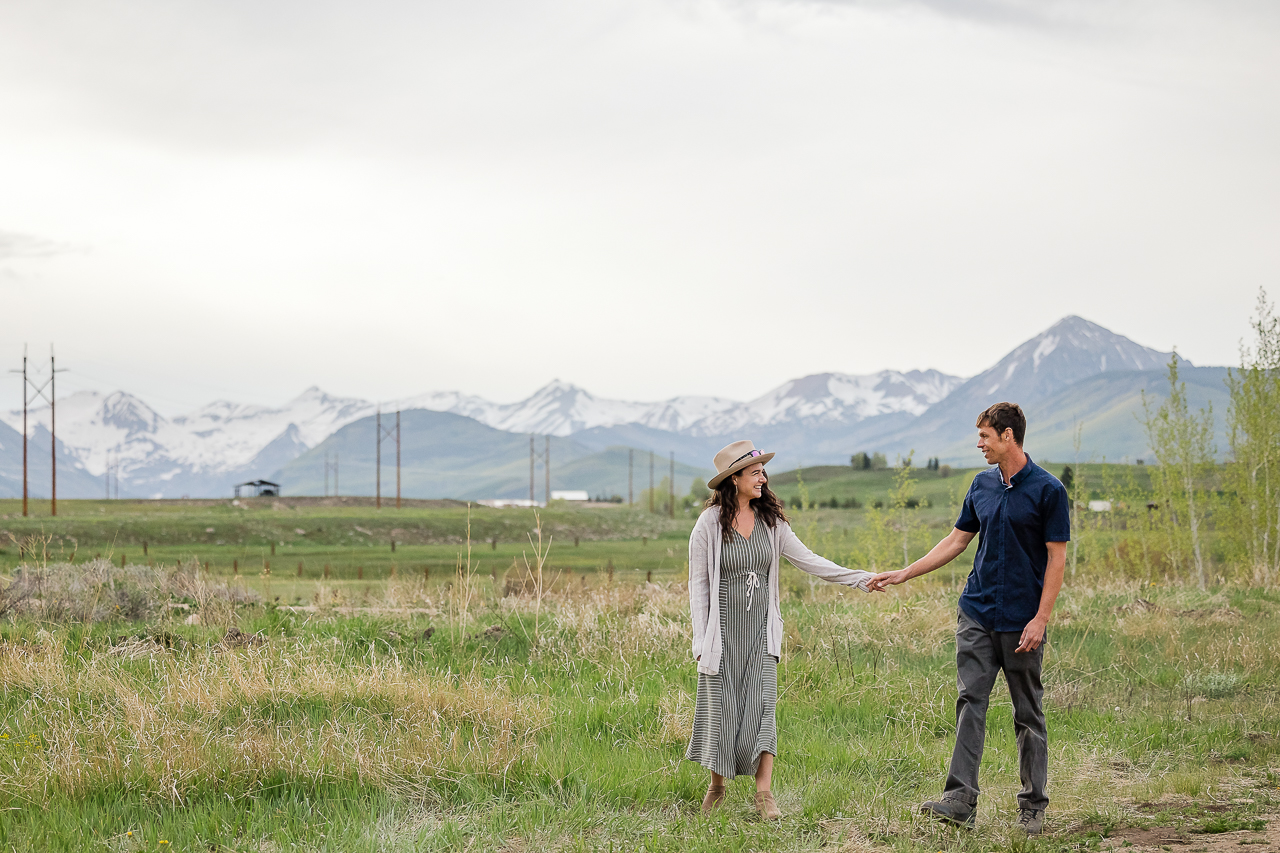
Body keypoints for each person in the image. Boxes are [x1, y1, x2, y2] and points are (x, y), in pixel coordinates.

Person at [869, 402, 1069, 835]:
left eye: (984, 437)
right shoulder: (981, 485)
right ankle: (960, 799)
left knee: (1027, 712)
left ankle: (1033, 806)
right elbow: (956, 540)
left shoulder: (1049, 491)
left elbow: (1057, 558)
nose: (979, 444)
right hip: (977, 613)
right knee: (970, 703)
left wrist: (1041, 618)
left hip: (1021, 622)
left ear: (1008, 436)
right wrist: (906, 573)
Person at [687, 440, 875, 819]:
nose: (763, 478)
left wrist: (862, 579)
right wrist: (699, 640)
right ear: (734, 479)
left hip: (760, 632)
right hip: (722, 636)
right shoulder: (708, 525)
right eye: (755, 472)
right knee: (722, 710)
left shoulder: (772, 523)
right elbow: (699, 585)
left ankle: (764, 794)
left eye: (762, 472)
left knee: (762, 708)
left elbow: (810, 561)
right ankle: (717, 786)